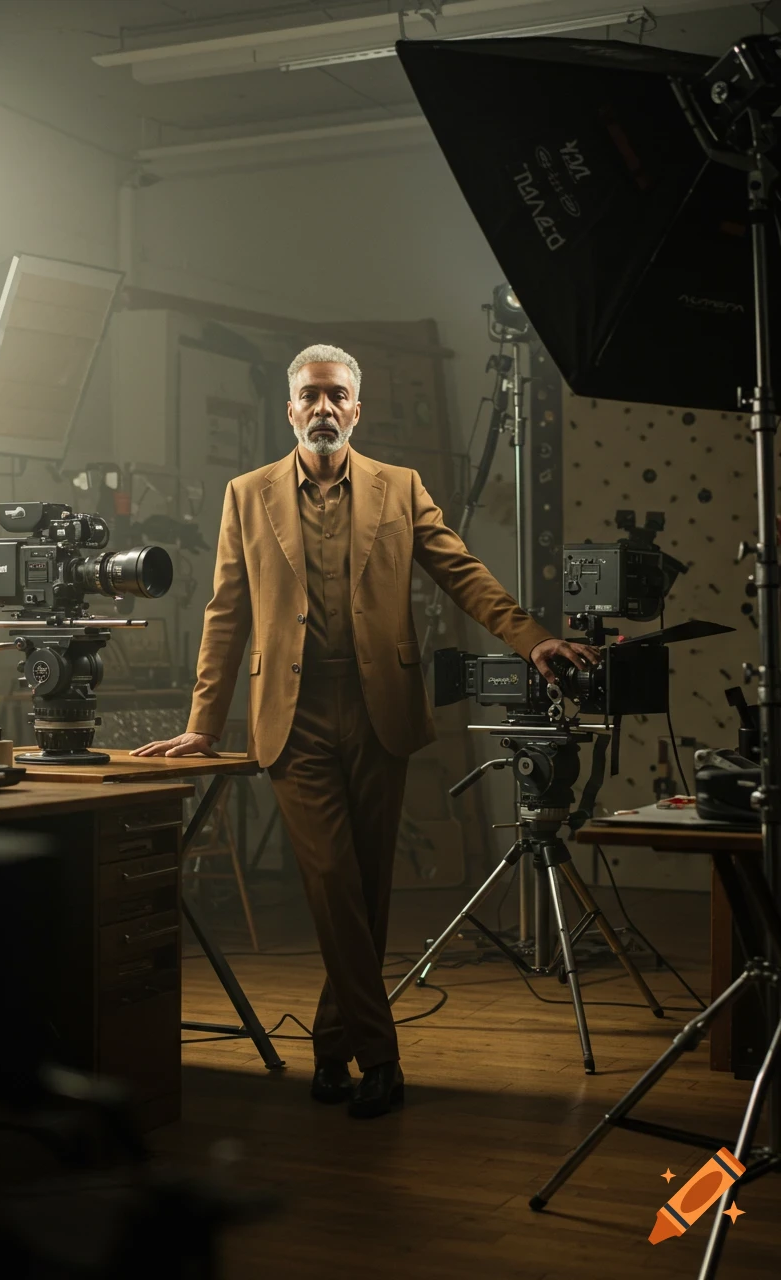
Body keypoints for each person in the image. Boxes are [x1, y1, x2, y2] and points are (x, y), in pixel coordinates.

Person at [133, 344, 599, 1119]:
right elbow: (226, 613)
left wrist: (532, 638)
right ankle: (381, 1056)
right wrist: (201, 725)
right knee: (331, 881)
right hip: (294, 717)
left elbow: (463, 572)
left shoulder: (399, 488)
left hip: (379, 707)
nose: (323, 407)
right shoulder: (246, 495)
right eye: (310, 395)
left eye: (336, 396)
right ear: (290, 409)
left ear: (356, 409)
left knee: (368, 888)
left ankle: (328, 1042)